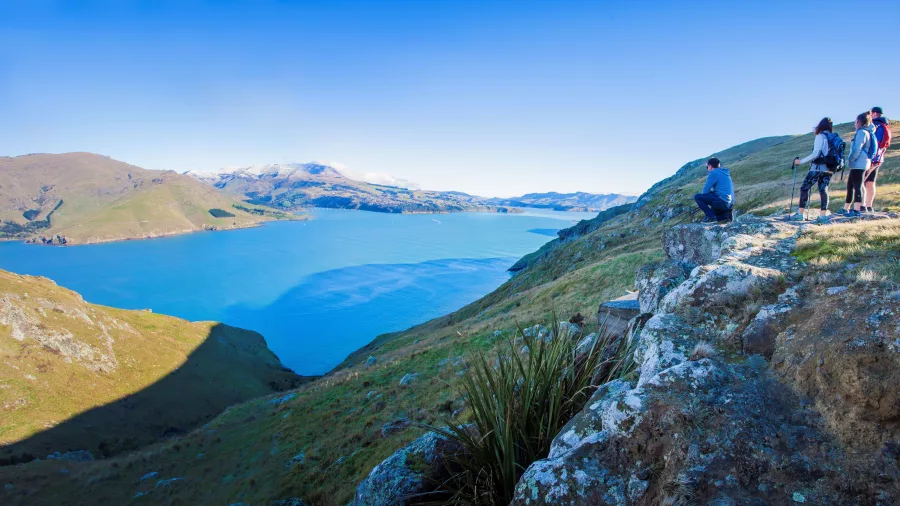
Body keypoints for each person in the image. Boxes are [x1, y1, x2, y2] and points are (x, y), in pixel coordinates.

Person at [792, 117, 835, 223]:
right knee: (823, 189)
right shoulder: (833, 137)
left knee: (804, 188)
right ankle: (822, 216)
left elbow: (815, 153)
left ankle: (800, 213)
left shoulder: (820, 137)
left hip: (817, 168)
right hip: (829, 168)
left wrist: (801, 161)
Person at [840, 112, 877, 217]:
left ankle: (856, 210)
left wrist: (851, 159)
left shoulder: (861, 133)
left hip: (859, 163)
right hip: (863, 162)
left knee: (857, 186)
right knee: (852, 185)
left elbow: (857, 149)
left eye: (856, 121)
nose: (855, 123)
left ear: (860, 122)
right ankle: (847, 208)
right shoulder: (867, 132)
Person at [694, 157, 734, 223]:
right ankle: (723, 217)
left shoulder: (713, 173)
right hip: (729, 204)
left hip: (722, 202)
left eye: (707, 167)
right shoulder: (726, 173)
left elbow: (705, 192)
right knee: (717, 215)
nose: (707, 169)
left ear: (710, 166)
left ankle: (711, 217)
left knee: (697, 197)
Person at [867, 106, 891, 212]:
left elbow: (872, 143)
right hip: (879, 158)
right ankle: (869, 205)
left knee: (862, 181)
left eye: (871, 113)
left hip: (871, 158)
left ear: (875, 114)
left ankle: (861, 205)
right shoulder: (885, 125)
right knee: (871, 182)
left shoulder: (875, 125)